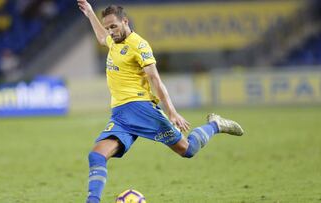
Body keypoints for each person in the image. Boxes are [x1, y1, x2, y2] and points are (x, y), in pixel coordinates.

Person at [76, 1, 244, 203]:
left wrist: (171, 112)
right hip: (120, 115)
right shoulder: (113, 40)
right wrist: (90, 14)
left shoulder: (139, 45)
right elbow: (102, 38)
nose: (110, 31)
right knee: (96, 156)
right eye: (108, 27)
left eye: (114, 26)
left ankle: (215, 125)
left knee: (187, 150)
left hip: (140, 109)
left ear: (125, 21)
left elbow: (155, 80)